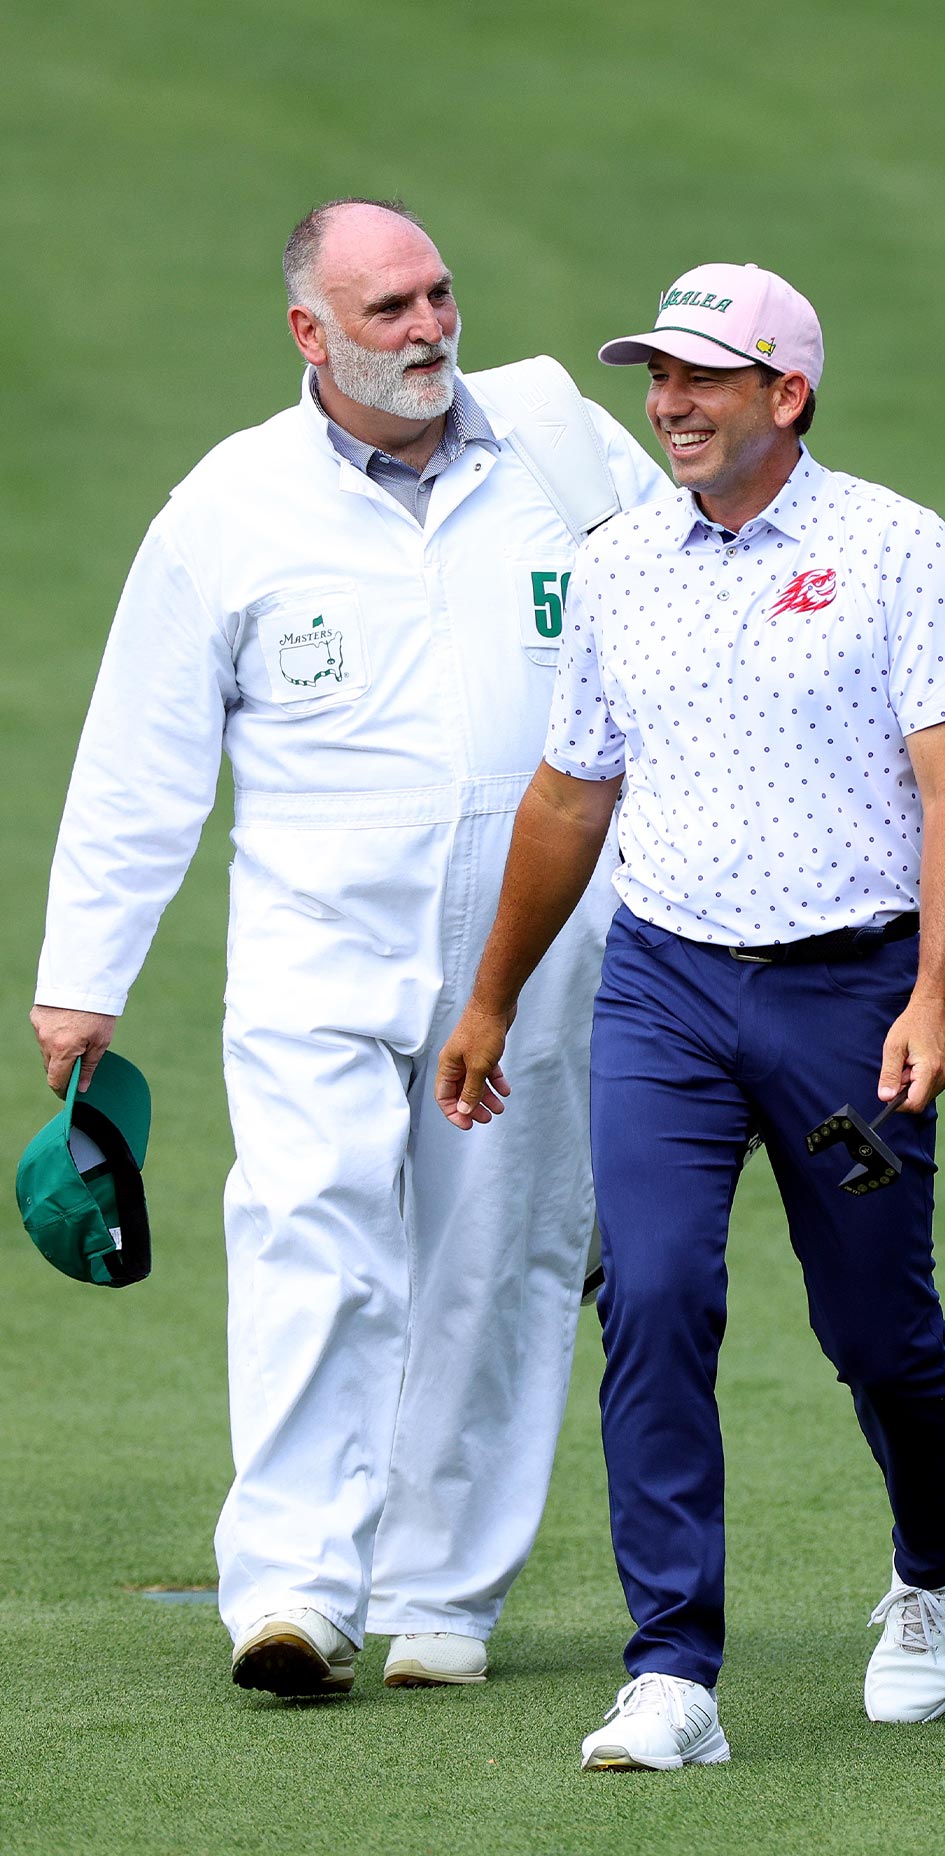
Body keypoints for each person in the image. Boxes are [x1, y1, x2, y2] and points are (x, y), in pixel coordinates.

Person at [29, 197, 666, 1698]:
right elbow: (142, 757)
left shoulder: (563, 447)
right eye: (389, 309)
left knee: (497, 1256)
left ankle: (444, 1593)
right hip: (319, 942)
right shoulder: (229, 508)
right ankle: (297, 1593)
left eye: (440, 294)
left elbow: (686, 617)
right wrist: (84, 977)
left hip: (533, 947)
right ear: (310, 334)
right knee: (311, 1236)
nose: (432, 328)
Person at [436, 261, 945, 1768]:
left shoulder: (894, 546)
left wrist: (933, 998)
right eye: (655, 379)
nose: (666, 405)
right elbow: (569, 794)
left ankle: (938, 1562)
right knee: (657, 1297)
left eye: (699, 379)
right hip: (666, 986)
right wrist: (490, 996)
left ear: (784, 394)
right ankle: (673, 1669)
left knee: (878, 1333)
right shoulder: (619, 560)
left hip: (850, 990)